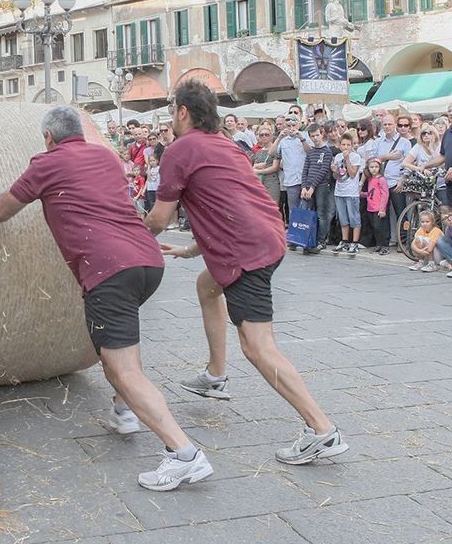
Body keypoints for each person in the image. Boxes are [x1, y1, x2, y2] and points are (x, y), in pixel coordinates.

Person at [0, 105, 210, 492]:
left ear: (49, 137)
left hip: (109, 269)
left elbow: (1, 211)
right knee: (122, 348)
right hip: (147, 262)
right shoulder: (106, 156)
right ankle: (124, 410)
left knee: (122, 368)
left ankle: (183, 453)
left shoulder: (46, 163)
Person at [144, 79, 348, 466]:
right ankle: (216, 374)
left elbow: (157, 218)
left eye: (173, 110)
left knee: (257, 345)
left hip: (246, 251)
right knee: (207, 285)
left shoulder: (179, 150)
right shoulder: (225, 145)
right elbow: (229, 204)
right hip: (268, 237)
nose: (172, 117)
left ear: (183, 112)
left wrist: (124, 233)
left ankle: (321, 429)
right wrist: (192, 249)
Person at [299, 123, 335, 254]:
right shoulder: (310, 152)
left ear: (322, 134)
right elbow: (305, 170)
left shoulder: (327, 151)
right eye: (312, 136)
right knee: (307, 213)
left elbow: (323, 170)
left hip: (321, 186)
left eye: (317, 135)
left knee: (321, 214)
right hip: (308, 186)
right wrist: (304, 187)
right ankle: (308, 240)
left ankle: (321, 240)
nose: (315, 138)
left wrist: (312, 187)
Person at [331, 132, 364, 253]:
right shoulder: (338, 157)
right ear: (340, 145)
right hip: (339, 191)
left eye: (348, 145)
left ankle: (355, 242)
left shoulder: (355, 157)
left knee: (354, 217)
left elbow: (353, 173)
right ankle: (344, 240)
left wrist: (347, 159)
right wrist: (334, 171)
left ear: (352, 146)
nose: (345, 147)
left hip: (351, 192)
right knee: (343, 218)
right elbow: (336, 176)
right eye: (343, 144)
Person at [365, 158, 390, 254]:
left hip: (379, 208)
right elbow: (371, 193)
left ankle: (385, 245)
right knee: (375, 227)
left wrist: (382, 209)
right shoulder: (371, 179)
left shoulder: (381, 179)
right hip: (371, 207)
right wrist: (362, 194)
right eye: (371, 167)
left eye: (376, 167)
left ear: (380, 168)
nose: (374, 169)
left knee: (381, 227)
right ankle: (378, 244)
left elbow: (385, 194)